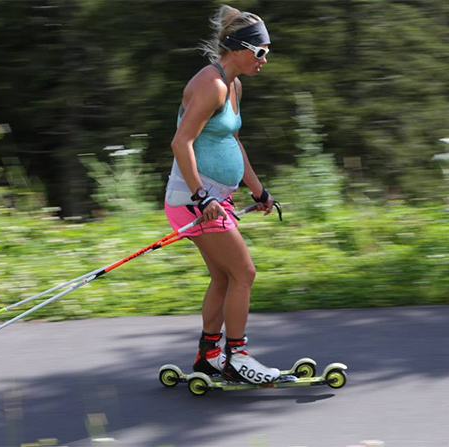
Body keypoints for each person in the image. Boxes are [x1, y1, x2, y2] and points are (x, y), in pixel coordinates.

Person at [164, 5, 279, 384]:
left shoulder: (233, 86)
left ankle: (209, 356)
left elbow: (232, 142)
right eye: (260, 51)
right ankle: (237, 356)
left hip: (215, 199)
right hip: (194, 201)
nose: (265, 58)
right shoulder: (210, 85)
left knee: (224, 277)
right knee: (244, 272)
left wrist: (258, 190)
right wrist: (201, 197)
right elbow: (181, 143)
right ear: (238, 48)